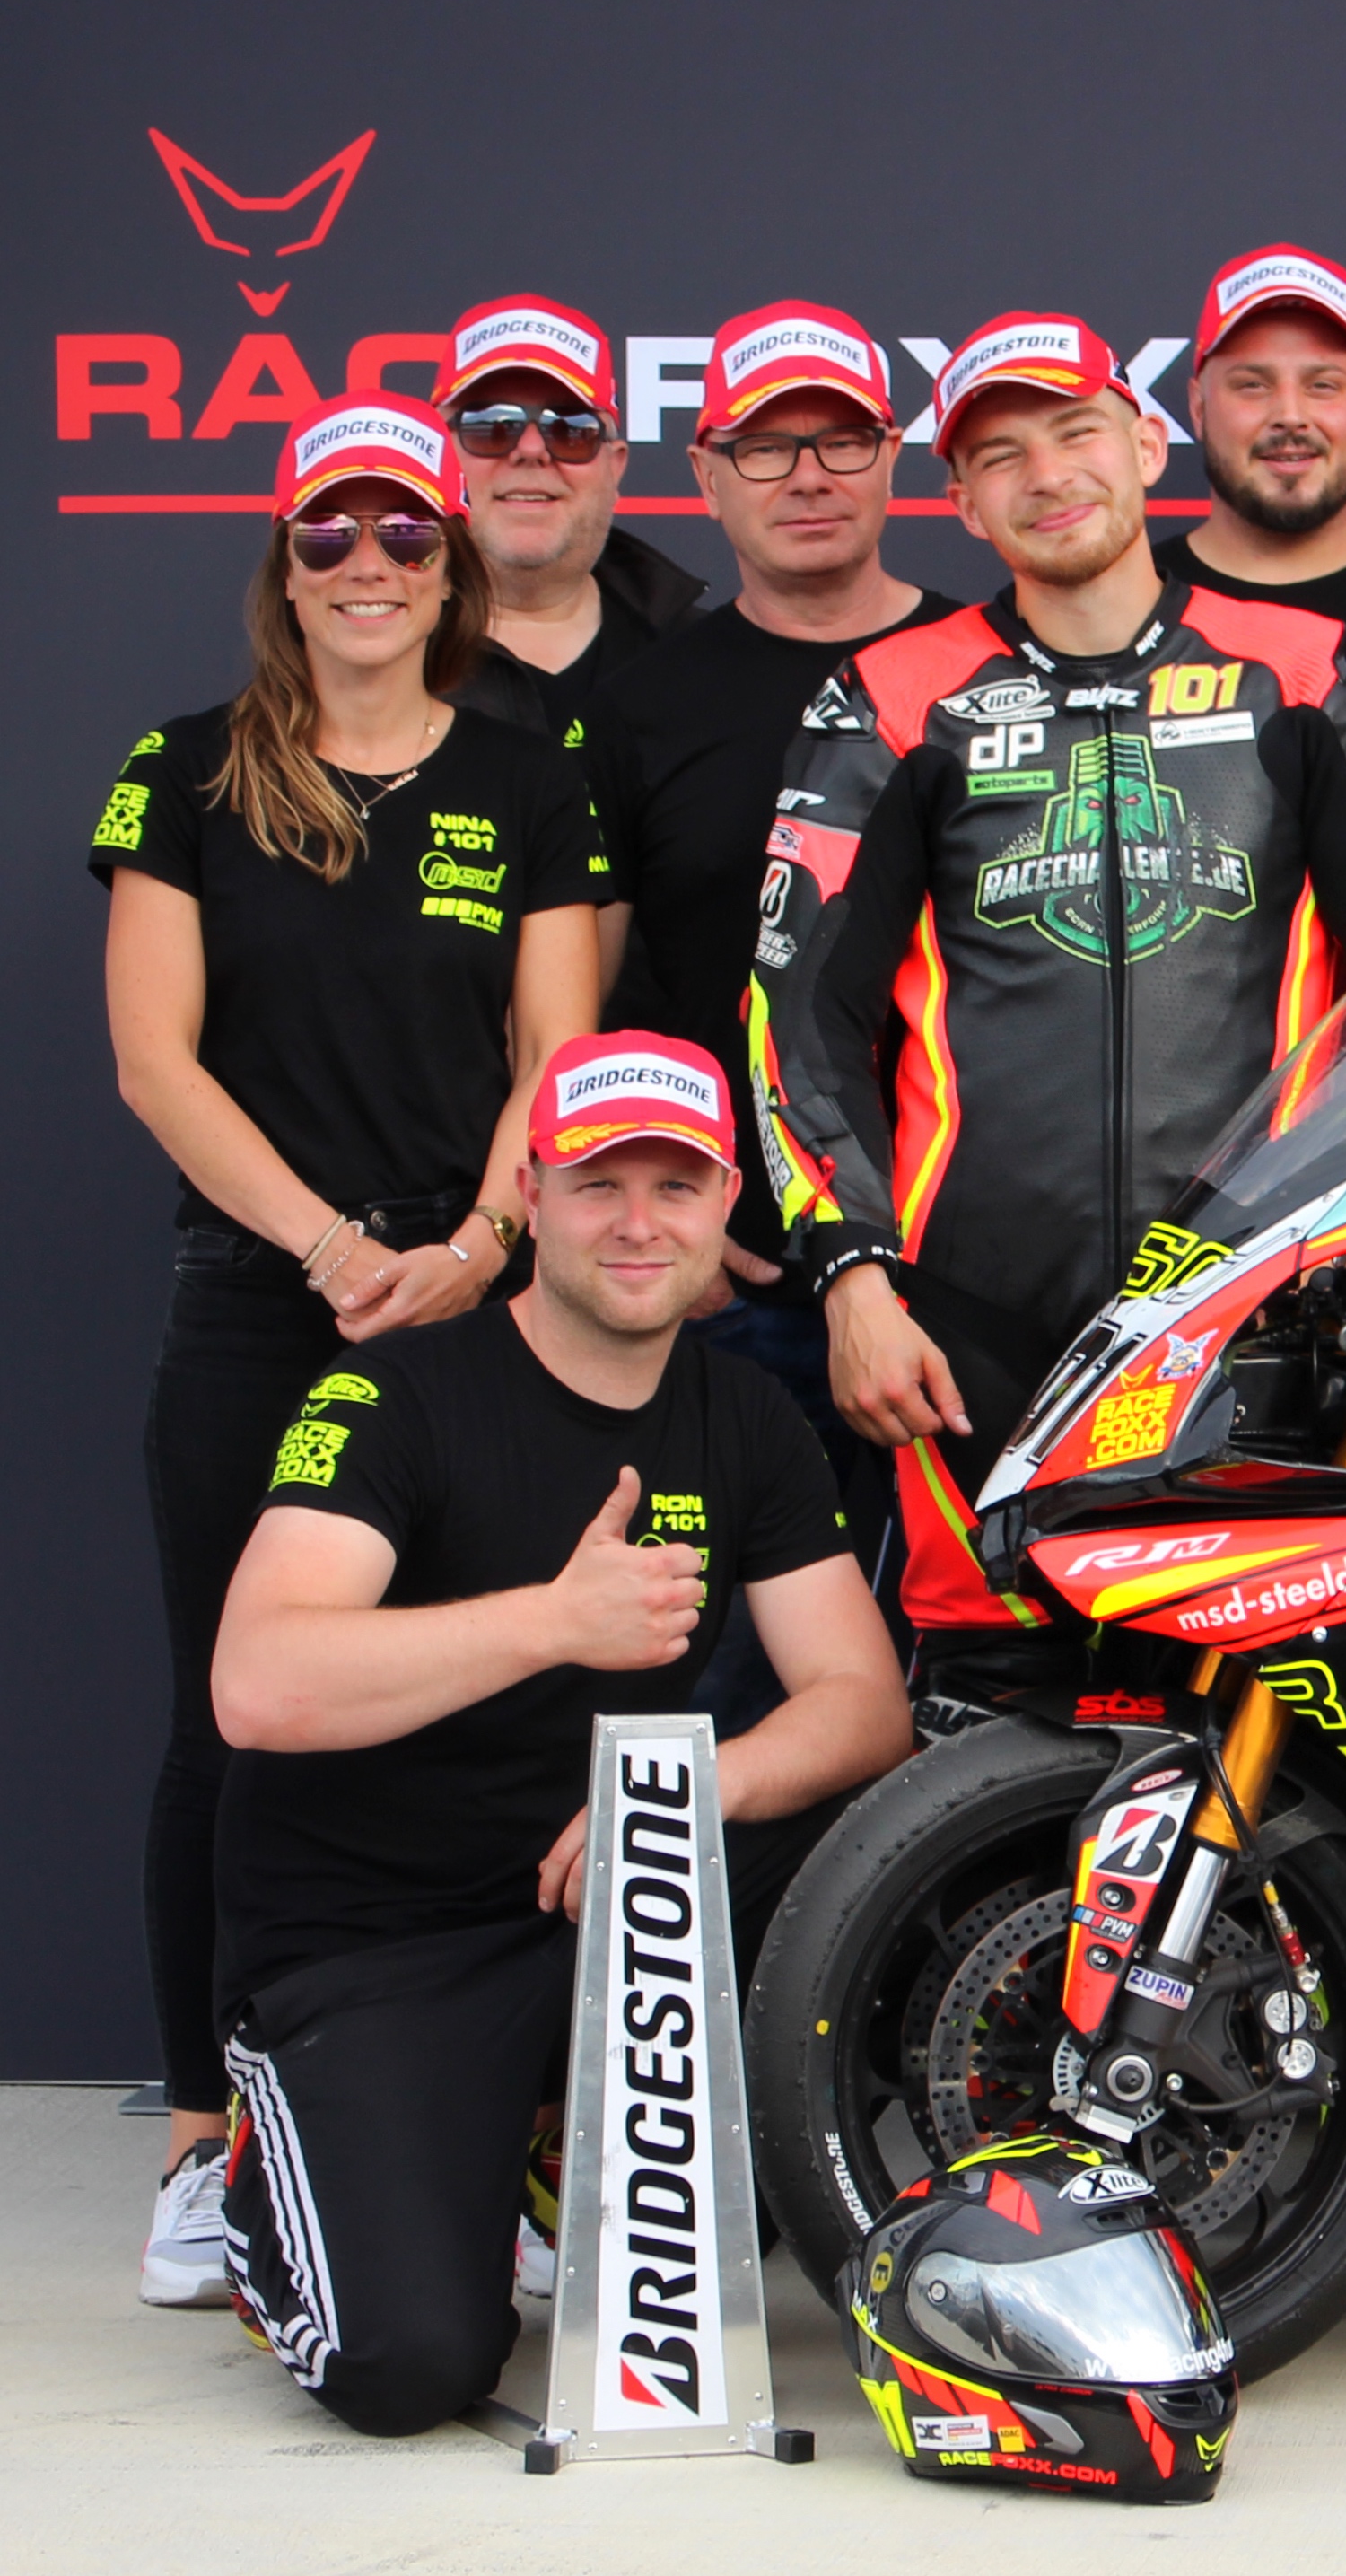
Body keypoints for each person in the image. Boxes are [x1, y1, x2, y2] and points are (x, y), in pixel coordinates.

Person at [748, 310, 1346, 1663]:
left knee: (1269, 1694)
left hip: (1264, 1297)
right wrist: (851, 1275)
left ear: (1145, 444)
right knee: (985, 1694)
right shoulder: (891, 696)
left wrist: (1335, 1223)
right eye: (1000, 454)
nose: (1047, 474)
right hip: (968, 1312)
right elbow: (799, 1013)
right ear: (961, 501)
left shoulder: (1310, 670)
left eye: (1075, 430)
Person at [211, 1034, 911, 2436]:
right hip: (386, 1940)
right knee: (408, 2361)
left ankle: (561, 2144)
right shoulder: (395, 1394)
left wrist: (692, 1788)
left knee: (877, 1831)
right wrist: (552, 1619)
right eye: (599, 1184)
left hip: (615, 1906)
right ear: (530, 1194)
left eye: (676, 1184)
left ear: (727, 1205)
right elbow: (259, 1682)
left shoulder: (743, 1412)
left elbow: (863, 1702)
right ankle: (285, 2158)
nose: (639, 1222)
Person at [92, 396, 604, 2309]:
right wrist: (328, 1249)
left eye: (404, 533)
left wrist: (474, 1246)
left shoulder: (528, 775)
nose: (369, 564)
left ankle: (494, 2138)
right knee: (229, 1718)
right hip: (261, 1291)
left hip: (475, 1298)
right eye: (331, 534)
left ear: (451, 565)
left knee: (480, 1708)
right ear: (283, 565)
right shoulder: (182, 769)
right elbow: (156, 1061)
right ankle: (200, 2134)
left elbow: (557, 1059)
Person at [581, 302, 953, 1713]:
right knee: (719, 1682)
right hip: (735, 1277)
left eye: (841, 439)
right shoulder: (641, 707)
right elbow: (587, 1000)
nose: (808, 474)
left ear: (894, 457)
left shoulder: (987, 665)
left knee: (969, 1678)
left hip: (967, 1263)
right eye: (765, 445)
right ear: (705, 472)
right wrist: (667, 1216)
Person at [1160, 246, 1346, 736]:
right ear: (1198, 408)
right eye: (1252, 385)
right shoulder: (1128, 606)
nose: (1290, 415)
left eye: (1322, 385)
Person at [433, 297, 704, 745]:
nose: (531, 450)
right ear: (435, 456)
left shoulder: (701, 659)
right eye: (490, 425)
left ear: (615, 467)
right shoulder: (369, 661)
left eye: (570, 430)